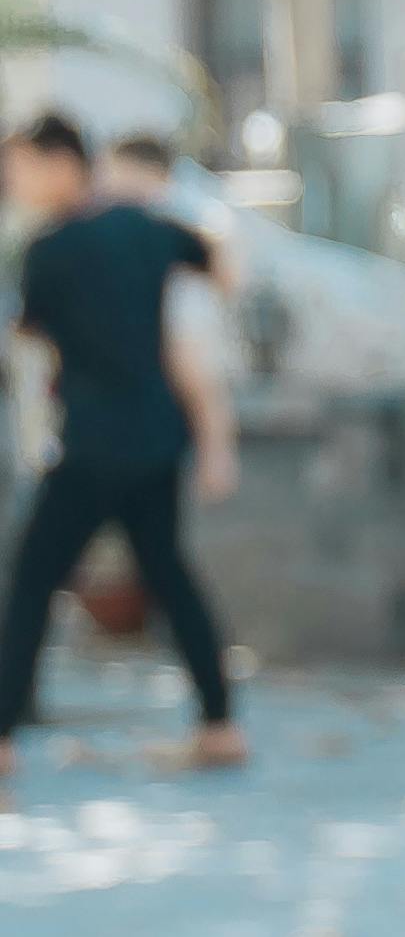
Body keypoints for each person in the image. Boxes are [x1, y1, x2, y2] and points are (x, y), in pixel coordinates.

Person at [0, 112, 246, 788]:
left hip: (90, 446)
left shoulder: (48, 251)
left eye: (19, 166)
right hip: (157, 439)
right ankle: (220, 724)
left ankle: (1, 739)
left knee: (29, 583)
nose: (12, 182)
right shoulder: (147, 227)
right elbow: (220, 262)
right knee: (168, 573)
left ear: (61, 162)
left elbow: (30, 333)